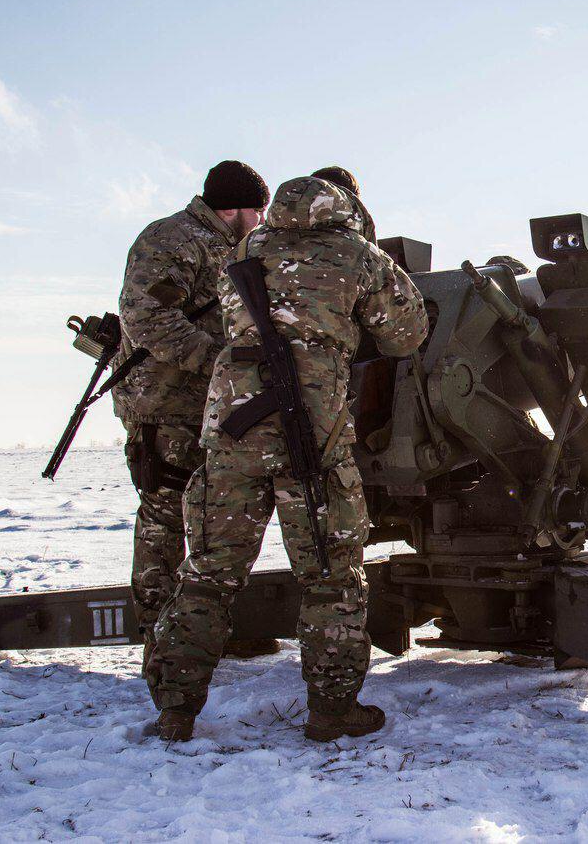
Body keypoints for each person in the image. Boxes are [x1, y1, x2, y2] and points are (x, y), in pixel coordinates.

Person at [148, 174, 429, 742]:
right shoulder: (358, 255)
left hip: (232, 431)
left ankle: (175, 710)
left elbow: (234, 316)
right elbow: (407, 333)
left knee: (206, 575)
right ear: (346, 208)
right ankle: (331, 710)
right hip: (312, 440)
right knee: (331, 579)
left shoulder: (248, 248)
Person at [111, 160, 270, 704]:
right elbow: (147, 318)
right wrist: (217, 364)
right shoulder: (172, 239)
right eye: (258, 208)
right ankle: (160, 644)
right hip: (165, 405)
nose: (263, 218)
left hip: (205, 406)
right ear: (234, 207)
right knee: (162, 519)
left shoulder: (227, 245)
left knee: (205, 516)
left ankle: (195, 635)